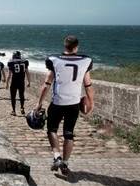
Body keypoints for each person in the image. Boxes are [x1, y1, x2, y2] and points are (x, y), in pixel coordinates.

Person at [35, 35, 94, 176]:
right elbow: (88, 85)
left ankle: (57, 157)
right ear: (76, 47)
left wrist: (39, 103)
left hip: (57, 103)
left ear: (64, 46)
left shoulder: (54, 60)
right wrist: (91, 102)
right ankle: (65, 163)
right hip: (74, 103)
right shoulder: (85, 61)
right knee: (69, 134)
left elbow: (47, 84)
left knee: (51, 130)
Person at [6, 51, 30, 116]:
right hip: (21, 81)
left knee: (13, 97)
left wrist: (7, 83)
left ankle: (13, 111)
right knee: (21, 95)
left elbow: (9, 75)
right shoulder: (24, 62)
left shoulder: (11, 62)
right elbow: (27, 72)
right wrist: (29, 81)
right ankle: (22, 107)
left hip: (14, 81)